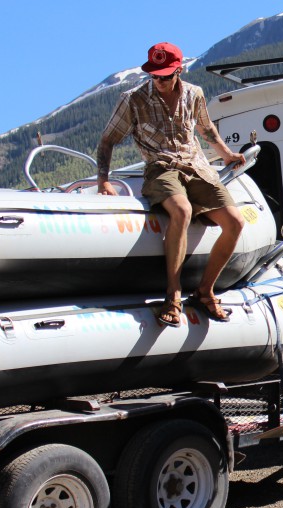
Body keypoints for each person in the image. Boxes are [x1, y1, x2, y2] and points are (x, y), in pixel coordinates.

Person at [95, 42, 246, 327]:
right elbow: (107, 140)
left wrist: (226, 154)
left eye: (165, 75)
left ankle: (205, 290)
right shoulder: (133, 98)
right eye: (154, 75)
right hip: (160, 167)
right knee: (182, 211)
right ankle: (173, 294)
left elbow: (205, 127)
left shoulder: (194, 93)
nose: (159, 81)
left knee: (235, 221)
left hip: (196, 165)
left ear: (179, 70)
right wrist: (103, 180)